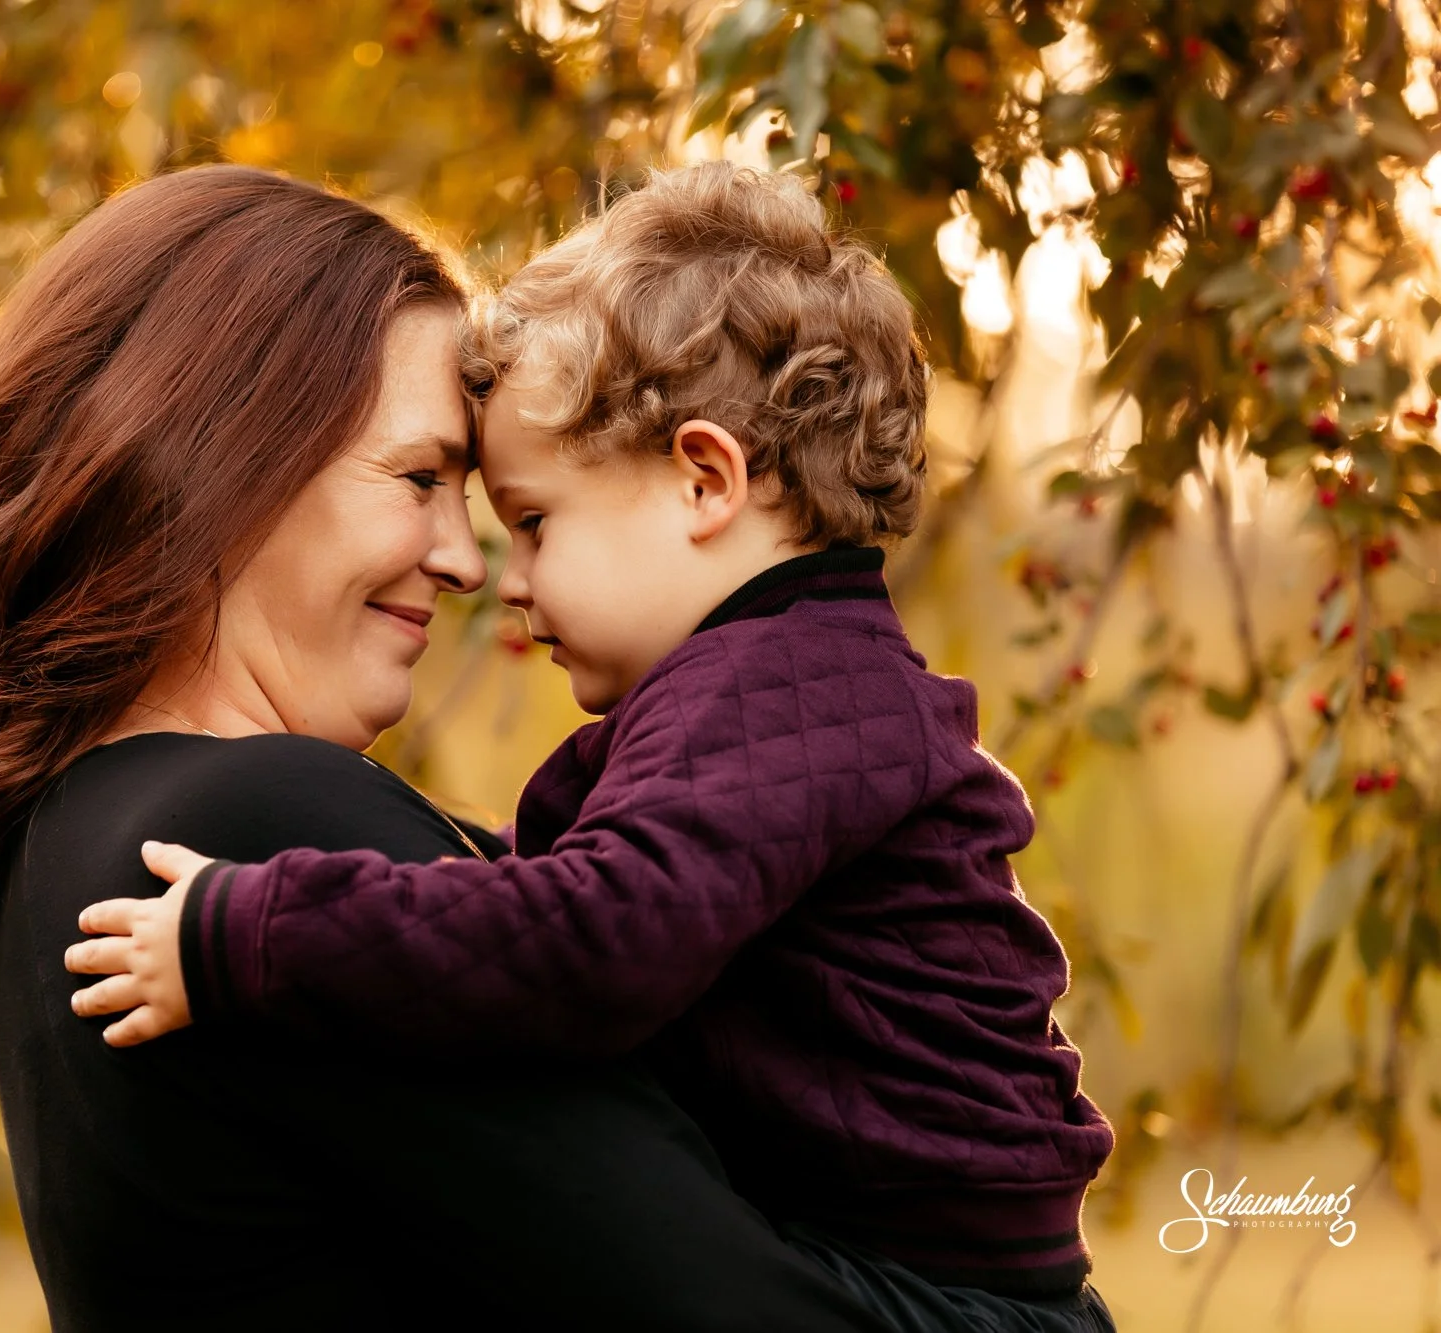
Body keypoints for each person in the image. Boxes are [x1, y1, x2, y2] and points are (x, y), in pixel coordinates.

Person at [0, 163, 893, 1333]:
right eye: (418, 478)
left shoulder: (65, 846)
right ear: (219, 461)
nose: (466, 564)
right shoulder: (251, 834)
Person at [66, 163, 1120, 1331]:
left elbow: (584, 937)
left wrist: (250, 935)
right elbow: (517, 900)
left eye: (530, 523)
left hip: (941, 1292)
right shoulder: (769, 689)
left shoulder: (779, 694)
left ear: (702, 478)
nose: (499, 582)